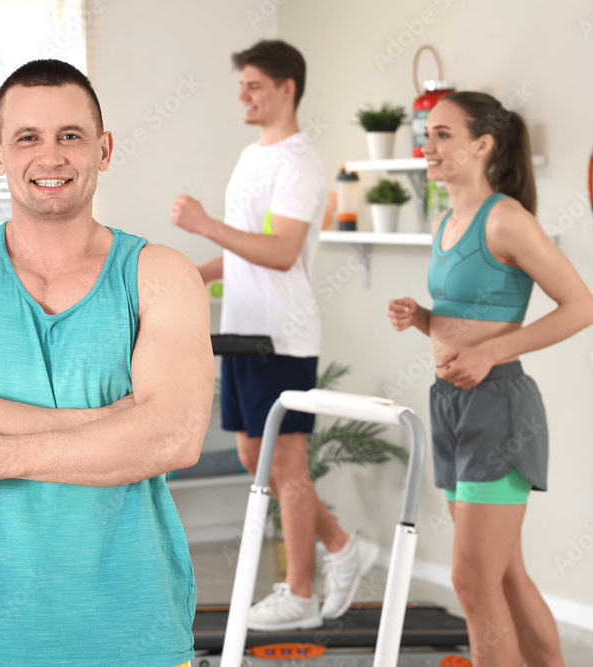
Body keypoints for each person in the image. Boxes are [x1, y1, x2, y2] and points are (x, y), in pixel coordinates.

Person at [0, 59, 213, 667]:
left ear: (104, 148)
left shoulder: (160, 275)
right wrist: (110, 423)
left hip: (131, 626)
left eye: (70, 136)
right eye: (27, 138)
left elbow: (174, 437)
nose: (51, 157)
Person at [170, 39, 378, 631]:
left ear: (288, 89)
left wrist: (205, 225)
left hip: (281, 336)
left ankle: (301, 596)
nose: (243, 95)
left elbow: (283, 253)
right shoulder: (252, 156)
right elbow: (245, 252)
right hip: (242, 329)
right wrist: (192, 276)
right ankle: (343, 547)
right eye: (242, 85)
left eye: (255, 85)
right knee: (252, 455)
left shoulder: (299, 162)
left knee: (285, 465)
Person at [387, 91, 593, 666]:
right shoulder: (447, 221)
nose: (427, 147)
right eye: (426, 135)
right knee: (502, 575)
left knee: (471, 583)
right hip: (450, 406)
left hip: (498, 409)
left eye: (442, 135)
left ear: (482, 144)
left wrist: (492, 354)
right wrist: (421, 320)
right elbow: (466, 322)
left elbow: (581, 306)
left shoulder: (505, 218)